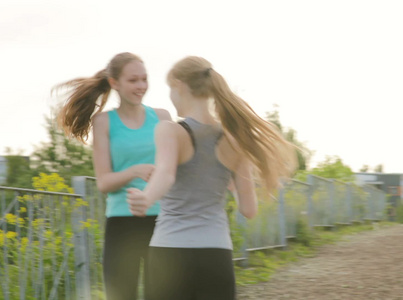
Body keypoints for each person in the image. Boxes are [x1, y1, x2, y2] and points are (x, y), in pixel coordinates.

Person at [127, 56, 297, 299]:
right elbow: (249, 209)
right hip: (216, 253)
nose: (171, 97)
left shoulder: (170, 130)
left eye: (170, 90)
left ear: (179, 85)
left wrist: (147, 196)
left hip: (170, 251)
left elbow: (166, 173)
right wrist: (229, 185)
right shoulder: (235, 140)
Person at [55, 52, 172, 300]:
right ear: (114, 83)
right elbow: (104, 183)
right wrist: (134, 171)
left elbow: (174, 169)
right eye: (133, 80)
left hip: (162, 221)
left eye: (144, 79)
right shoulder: (104, 122)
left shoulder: (162, 117)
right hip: (122, 223)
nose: (141, 86)